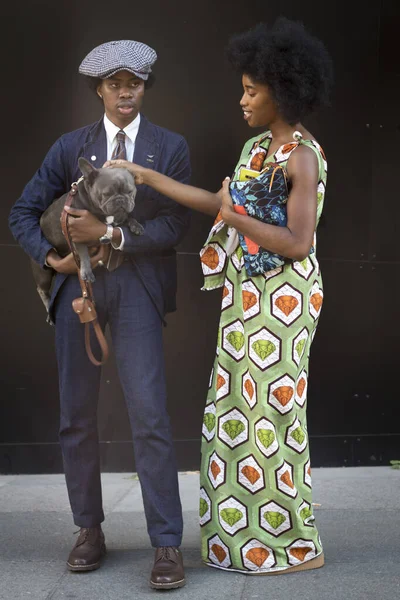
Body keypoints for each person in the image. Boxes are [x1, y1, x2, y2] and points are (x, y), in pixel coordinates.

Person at [105, 18, 333, 574]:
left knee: (273, 420)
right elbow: (216, 202)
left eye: (252, 91)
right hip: (245, 297)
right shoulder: (258, 147)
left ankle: (293, 547)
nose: (242, 99)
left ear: (282, 91)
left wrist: (234, 216)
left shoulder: (302, 156)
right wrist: (147, 176)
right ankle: (243, 544)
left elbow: (299, 243)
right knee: (235, 415)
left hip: (284, 299)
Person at [9, 40, 191, 589]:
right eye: (114, 84)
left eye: (134, 82)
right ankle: (88, 529)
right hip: (79, 290)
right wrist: (54, 258)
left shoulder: (169, 146)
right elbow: (21, 213)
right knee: (76, 417)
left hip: (137, 288)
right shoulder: (71, 147)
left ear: (145, 87)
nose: (125, 91)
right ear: (99, 89)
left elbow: (175, 227)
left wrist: (111, 233)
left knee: (150, 414)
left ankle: (165, 544)